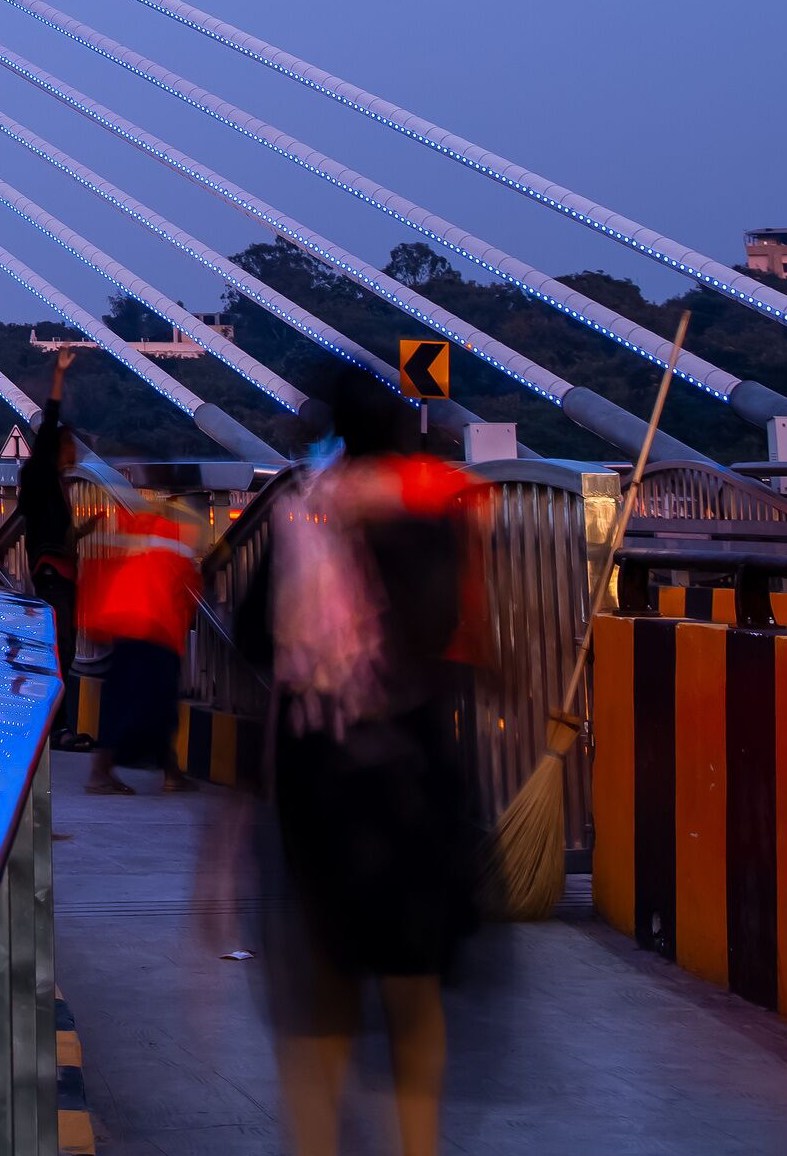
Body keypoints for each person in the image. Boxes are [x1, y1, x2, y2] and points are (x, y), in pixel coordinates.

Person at [239, 368, 489, 1156]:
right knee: (415, 995)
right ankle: (418, 1146)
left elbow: (250, 641)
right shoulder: (431, 523)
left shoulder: (300, 523)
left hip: (321, 788)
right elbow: (455, 633)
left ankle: (316, 1144)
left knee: (328, 990)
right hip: (415, 785)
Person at [77, 486, 197, 793]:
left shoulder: (134, 528)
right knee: (157, 701)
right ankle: (158, 772)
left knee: (126, 697)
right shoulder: (178, 538)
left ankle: (162, 770)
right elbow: (187, 587)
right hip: (155, 623)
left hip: (123, 619)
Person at [14, 350, 82, 745]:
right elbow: (50, 419)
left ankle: (60, 726)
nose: (76, 453)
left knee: (64, 651)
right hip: (53, 576)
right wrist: (58, 374)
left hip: (55, 574)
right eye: (71, 446)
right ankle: (57, 728)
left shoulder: (52, 484)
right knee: (62, 651)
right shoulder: (42, 473)